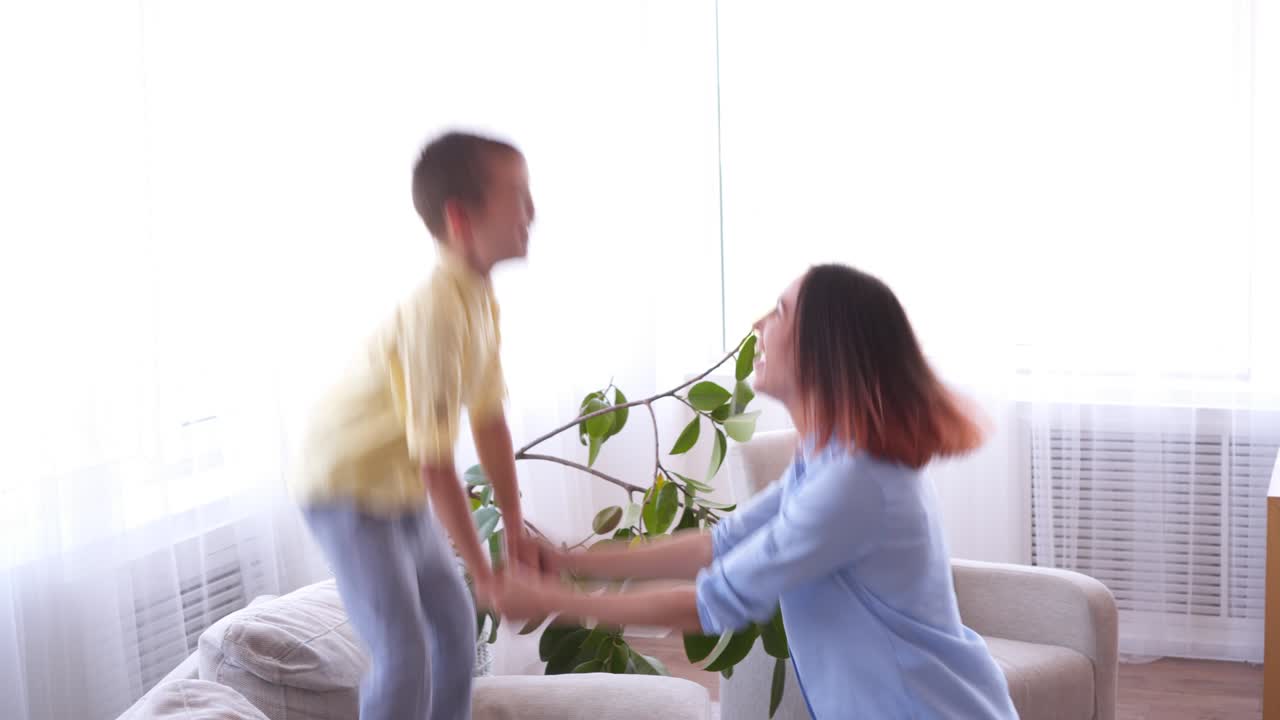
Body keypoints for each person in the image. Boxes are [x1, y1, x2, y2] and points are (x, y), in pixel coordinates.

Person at [490, 264, 1018, 719]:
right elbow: (718, 544)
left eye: (781, 313)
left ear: (825, 348)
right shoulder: (829, 458)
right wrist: (569, 562)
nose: (758, 324)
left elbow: (711, 605)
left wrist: (551, 598)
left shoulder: (853, 484)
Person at [291, 131, 539, 720]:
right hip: (346, 488)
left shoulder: (480, 300)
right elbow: (436, 465)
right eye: (518, 197)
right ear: (461, 218)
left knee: (454, 626)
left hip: (396, 489)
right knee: (403, 653)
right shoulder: (436, 313)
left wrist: (512, 524)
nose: (533, 212)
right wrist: (485, 572)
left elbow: (489, 422)